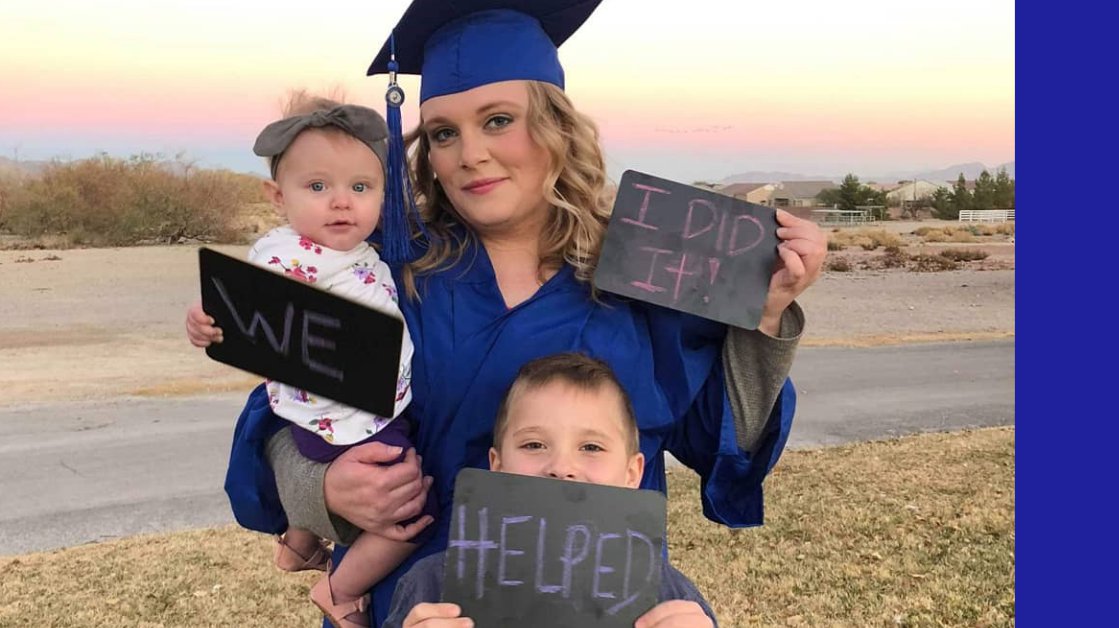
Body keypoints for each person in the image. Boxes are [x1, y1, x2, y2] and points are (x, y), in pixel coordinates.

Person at [185, 0, 827, 624]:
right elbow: (279, 417)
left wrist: (764, 316)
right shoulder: (382, 272)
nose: (471, 154)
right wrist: (322, 491)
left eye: (498, 120)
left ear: (556, 126)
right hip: (412, 601)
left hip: (595, 600)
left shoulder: (648, 269)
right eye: (443, 133)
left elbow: (721, 446)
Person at [235, 94, 435, 627]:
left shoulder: (368, 249)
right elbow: (245, 315)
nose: (341, 203)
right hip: (348, 415)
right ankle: (340, 591)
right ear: (277, 196)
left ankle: (299, 543)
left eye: (361, 188)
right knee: (410, 511)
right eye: (318, 187)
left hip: (360, 408)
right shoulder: (290, 257)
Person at [384, 352, 717, 628]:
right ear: (497, 466)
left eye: (591, 447)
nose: (561, 466)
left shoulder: (668, 598)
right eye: (534, 444)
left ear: (632, 474)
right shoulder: (431, 587)